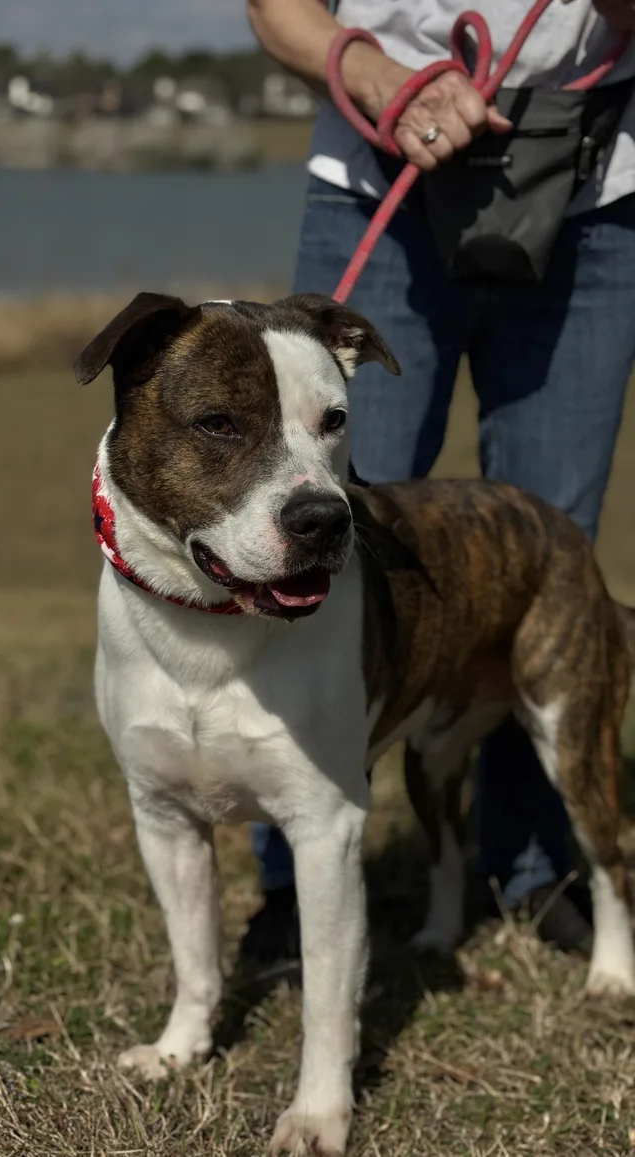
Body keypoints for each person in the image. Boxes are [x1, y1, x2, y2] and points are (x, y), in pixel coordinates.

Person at [242, 0, 635, 963]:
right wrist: (385, 80)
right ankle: (294, 884)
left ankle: (531, 868)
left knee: (551, 553)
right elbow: (275, 10)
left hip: (595, 194)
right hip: (378, 178)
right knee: (315, 540)